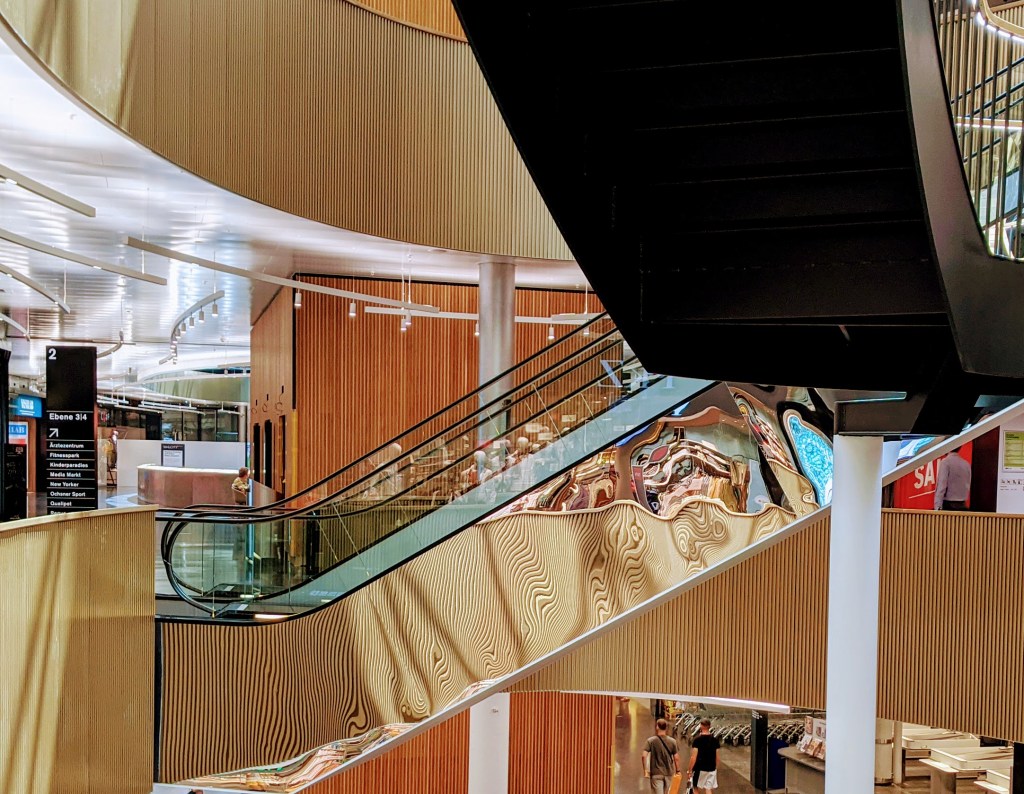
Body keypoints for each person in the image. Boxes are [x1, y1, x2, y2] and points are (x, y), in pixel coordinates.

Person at [641, 717, 681, 793]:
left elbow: (644, 756)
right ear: (666, 728)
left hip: (656, 773)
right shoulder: (673, 741)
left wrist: (645, 769)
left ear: (657, 727)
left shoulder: (651, 741)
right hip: (669, 773)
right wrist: (678, 771)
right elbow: (676, 758)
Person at [687, 718, 720, 793]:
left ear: (701, 726)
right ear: (709, 726)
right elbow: (717, 757)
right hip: (711, 768)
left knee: (695, 787)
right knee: (708, 788)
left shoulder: (697, 740)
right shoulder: (715, 740)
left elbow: (693, 757)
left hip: (699, 768)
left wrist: (690, 770)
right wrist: (715, 768)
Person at [934, 446, 971, 511]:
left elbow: (941, 486)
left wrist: (937, 507)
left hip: (948, 506)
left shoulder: (945, 462)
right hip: (962, 505)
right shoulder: (966, 464)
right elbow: (968, 485)